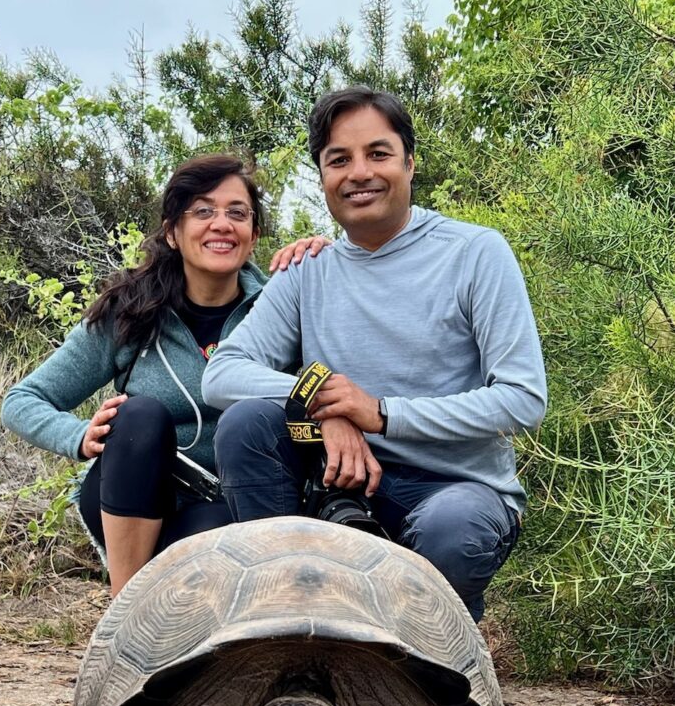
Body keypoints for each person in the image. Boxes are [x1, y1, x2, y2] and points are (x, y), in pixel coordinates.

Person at [201, 88, 547, 623]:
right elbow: (222, 374)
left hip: (454, 489)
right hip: (342, 481)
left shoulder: (476, 253)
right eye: (339, 159)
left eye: (378, 154)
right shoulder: (306, 270)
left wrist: (381, 414)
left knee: (452, 533)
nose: (359, 172)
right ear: (322, 177)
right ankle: (279, 620)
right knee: (247, 424)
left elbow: (521, 399)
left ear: (410, 163)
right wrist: (326, 402)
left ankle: (432, 645)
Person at [1, 154, 328, 597]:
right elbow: (22, 401)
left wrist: (333, 266)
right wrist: (79, 436)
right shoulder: (129, 312)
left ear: (254, 235)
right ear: (173, 231)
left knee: (215, 539)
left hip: (235, 503)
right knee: (138, 415)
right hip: (134, 501)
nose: (221, 224)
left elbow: (330, 385)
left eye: (237, 213)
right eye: (203, 211)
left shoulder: (281, 309)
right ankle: (124, 608)